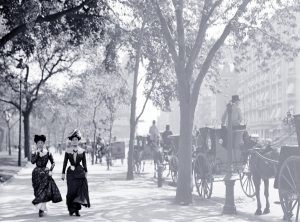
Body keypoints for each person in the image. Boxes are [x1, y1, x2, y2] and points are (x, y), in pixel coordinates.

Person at [31, 135, 62, 217]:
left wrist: (51, 170)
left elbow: (53, 162)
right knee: (37, 191)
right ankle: (40, 207)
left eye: (41, 143)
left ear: (44, 143)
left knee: (44, 190)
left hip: (45, 172)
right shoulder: (34, 152)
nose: (40, 144)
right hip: (36, 173)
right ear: (36, 144)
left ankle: (41, 209)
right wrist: (37, 154)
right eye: (38, 143)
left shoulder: (47, 153)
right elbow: (32, 162)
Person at [62, 129, 90, 217]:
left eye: (76, 140)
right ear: (71, 141)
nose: (75, 141)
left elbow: (84, 162)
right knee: (71, 192)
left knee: (79, 191)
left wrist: (86, 171)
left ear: (78, 141)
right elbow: (65, 162)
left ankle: (77, 210)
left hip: (79, 172)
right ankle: (71, 209)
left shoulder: (82, 151)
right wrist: (63, 173)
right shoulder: (68, 150)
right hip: (70, 173)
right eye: (73, 140)